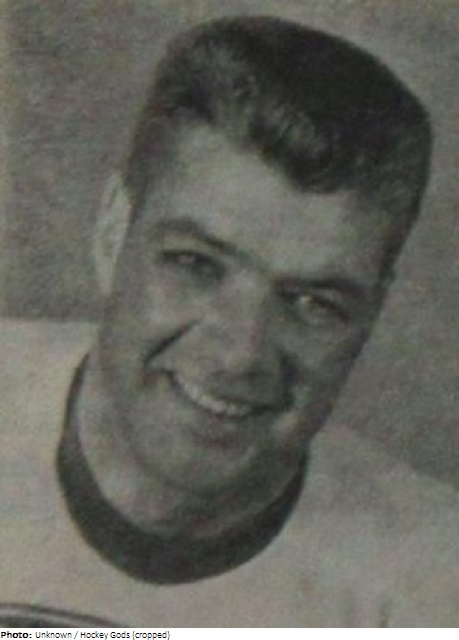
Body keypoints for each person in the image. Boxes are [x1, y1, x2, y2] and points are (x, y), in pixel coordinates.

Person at [1, 16, 458, 627]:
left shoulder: (433, 582)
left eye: (314, 303)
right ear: (112, 233)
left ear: (372, 312)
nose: (239, 354)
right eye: (197, 265)